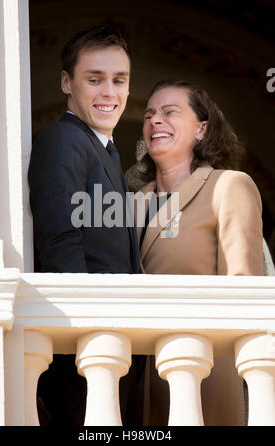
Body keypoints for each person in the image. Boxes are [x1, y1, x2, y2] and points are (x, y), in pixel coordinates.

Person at [126, 79, 263, 425]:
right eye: (149, 114)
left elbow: (244, 291)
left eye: (170, 112)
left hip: (207, 377)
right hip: (139, 381)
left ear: (202, 129)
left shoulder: (228, 186)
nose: (155, 120)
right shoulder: (132, 203)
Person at [28, 25, 144, 426]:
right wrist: (86, 335)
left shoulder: (107, 152)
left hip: (109, 344)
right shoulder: (64, 139)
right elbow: (61, 241)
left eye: (119, 80)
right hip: (85, 349)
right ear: (67, 82)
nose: (109, 92)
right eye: (94, 80)